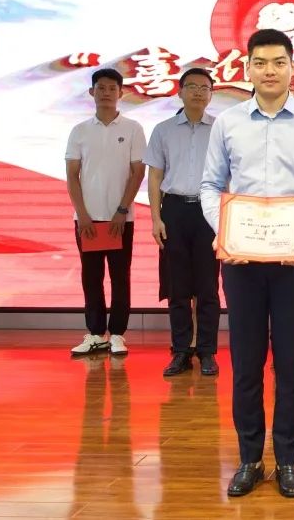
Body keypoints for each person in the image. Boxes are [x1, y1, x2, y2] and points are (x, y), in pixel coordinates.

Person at [200, 29, 294, 498]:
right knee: (245, 362)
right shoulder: (228, 122)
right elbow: (210, 185)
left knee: (291, 363)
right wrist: (226, 230)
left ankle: (287, 461)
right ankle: (249, 459)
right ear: (247, 69)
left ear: (292, 67)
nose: (270, 71)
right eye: (260, 63)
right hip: (240, 259)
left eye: (279, 62)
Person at [145, 67, 221, 377]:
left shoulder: (220, 130)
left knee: (208, 287)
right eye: (192, 86)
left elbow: (230, 175)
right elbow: (155, 176)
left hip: (209, 212)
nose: (198, 92)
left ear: (211, 94)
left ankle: (206, 351)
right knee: (177, 288)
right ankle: (180, 351)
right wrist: (155, 218)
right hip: (174, 210)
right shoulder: (163, 130)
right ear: (180, 92)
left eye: (205, 87)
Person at [66, 68, 146, 357]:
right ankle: (96, 333)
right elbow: (72, 175)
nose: (106, 93)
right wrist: (83, 214)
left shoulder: (133, 128)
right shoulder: (80, 131)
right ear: (92, 92)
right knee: (91, 277)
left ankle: (118, 334)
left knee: (120, 276)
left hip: (120, 219)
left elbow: (138, 172)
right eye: (101, 88)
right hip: (88, 220)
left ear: (121, 93)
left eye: (112, 88)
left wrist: (122, 210)